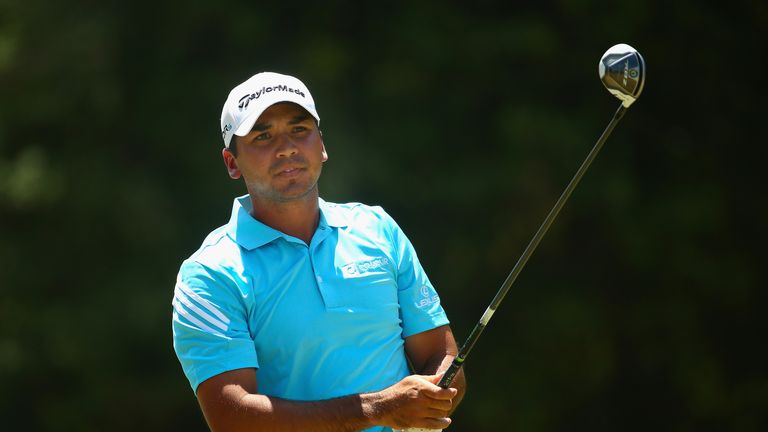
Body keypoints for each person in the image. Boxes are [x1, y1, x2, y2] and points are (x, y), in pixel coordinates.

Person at [171, 72, 466, 432]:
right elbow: (232, 416)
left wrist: (434, 396)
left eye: (300, 129)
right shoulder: (209, 273)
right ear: (232, 163)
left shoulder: (379, 229)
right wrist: (377, 409)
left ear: (321, 145)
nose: (287, 147)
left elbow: (439, 353)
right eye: (263, 135)